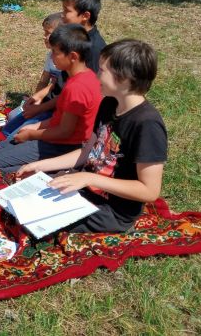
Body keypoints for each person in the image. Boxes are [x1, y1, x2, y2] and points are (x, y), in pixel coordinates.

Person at [16, 39, 168, 233]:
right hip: (84, 191)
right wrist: (40, 165)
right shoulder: (109, 104)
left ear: (123, 78)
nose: (97, 76)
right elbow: (89, 151)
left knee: (33, 224)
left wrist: (89, 178)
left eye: (102, 71)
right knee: (23, 201)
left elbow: (149, 190)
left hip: (112, 210)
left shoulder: (147, 125)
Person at [0, 24, 102, 173]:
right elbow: (61, 118)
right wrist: (36, 127)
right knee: (1, 147)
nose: (51, 56)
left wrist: (32, 135)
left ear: (73, 56)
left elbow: (65, 131)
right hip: (55, 135)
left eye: (55, 52)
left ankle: (53, 170)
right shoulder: (82, 76)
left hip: (63, 145)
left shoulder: (77, 88)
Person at [21, 0, 106, 122]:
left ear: (85, 16)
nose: (62, 15)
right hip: (52, 102)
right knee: (13, 120)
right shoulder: (72, 36)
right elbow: (62, 81)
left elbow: (75, 94)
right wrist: (40, 95)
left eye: (66, 11)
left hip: (64, 113)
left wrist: (40, 108)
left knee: (15, 136)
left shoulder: (93, 49)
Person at [2, 12, 63, 138]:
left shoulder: (66, 61)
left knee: (18, 132)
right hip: (45, 101)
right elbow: (43, 81)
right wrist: (34, 100)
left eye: (48, 33)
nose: (44, 37)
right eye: (44, 32)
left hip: (54, 108)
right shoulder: (49, 56)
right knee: (12, 116)